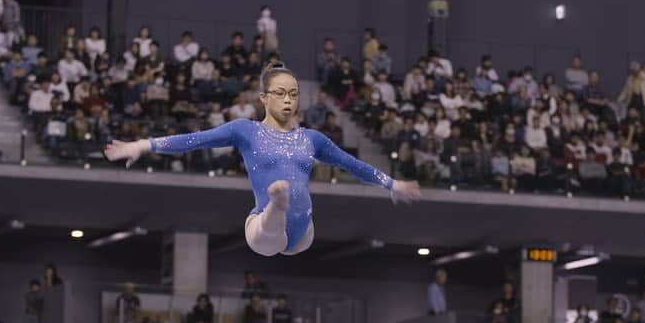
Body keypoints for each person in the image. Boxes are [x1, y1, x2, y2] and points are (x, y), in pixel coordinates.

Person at [104, 63, 421, 256]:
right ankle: (275, 204)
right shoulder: (246, 130)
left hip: (303, 232)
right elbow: (194, 140)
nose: (288, 100)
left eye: (294, 94)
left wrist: (391, 183)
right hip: (263, 230)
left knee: (292, 230)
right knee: (269, 229)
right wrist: (143, 145)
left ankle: (280, 205)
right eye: (281, 93)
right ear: (264, 98)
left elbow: (353, 165)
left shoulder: (312, 139)